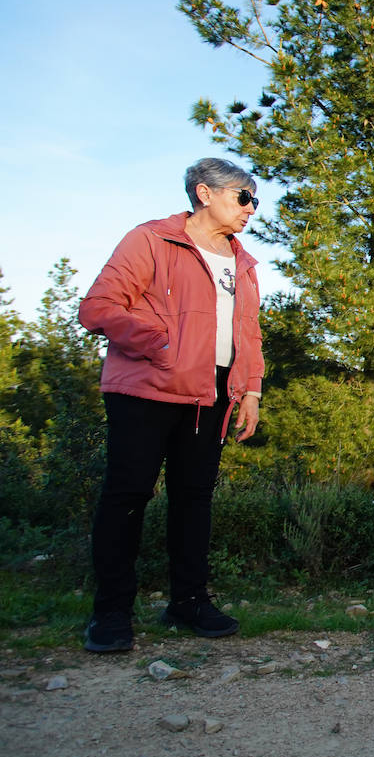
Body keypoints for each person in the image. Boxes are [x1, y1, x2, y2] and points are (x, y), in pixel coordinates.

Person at [77, 158, 265, 652]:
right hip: (146, 388)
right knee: (127, 497)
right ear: (205, 193)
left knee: (194, 499)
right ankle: (112, 613)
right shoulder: (151, 240)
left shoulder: (243, 263)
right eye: (242, 197)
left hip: (213, 393)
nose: (251, 209)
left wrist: (250, 390)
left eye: (253, 200)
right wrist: (161, 342)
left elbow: (248, 332)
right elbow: (98, 307)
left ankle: (188, 601)